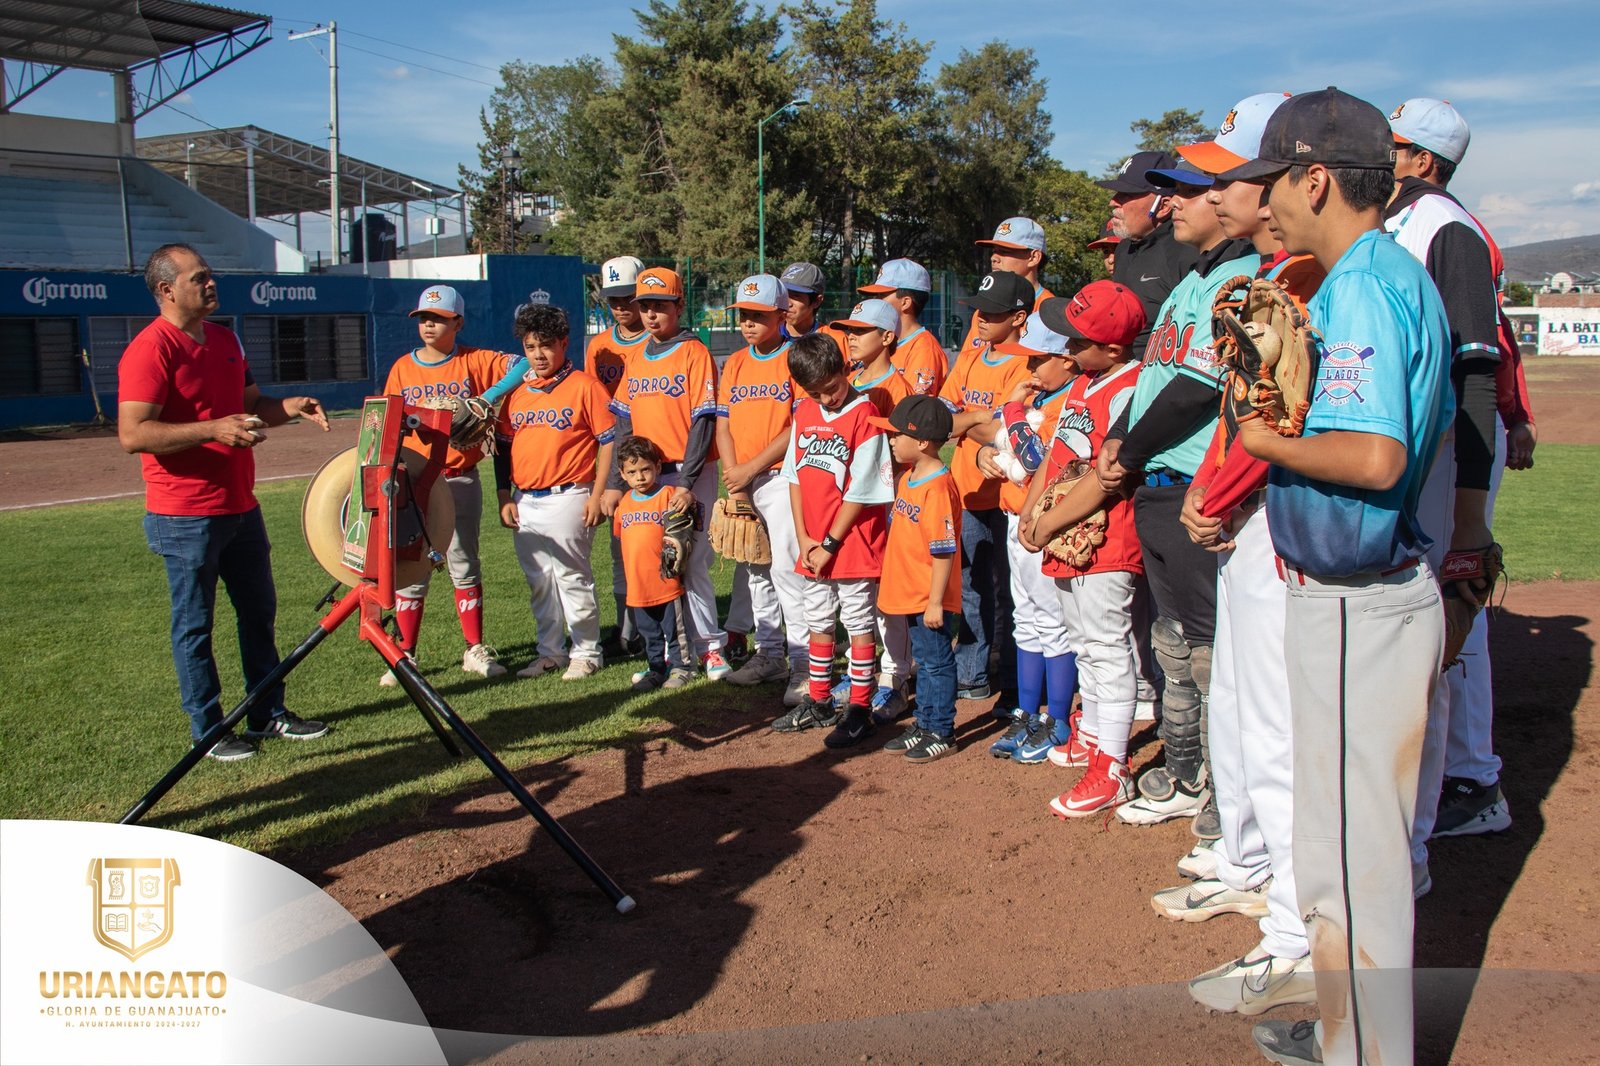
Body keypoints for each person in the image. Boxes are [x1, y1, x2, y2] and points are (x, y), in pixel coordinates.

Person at [1220, 86, 1453, 1066]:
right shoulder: (1378, 274)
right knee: (1334, 846)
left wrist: (1264, 437)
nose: (1262, 200)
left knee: (1352, 860)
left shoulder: (1361, 281)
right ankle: (1345, 1035)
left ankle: (1366, 1053)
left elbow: (1373, 459)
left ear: (1316, 177)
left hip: (1364, 600)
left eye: (1272, 180)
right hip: (1358, 598)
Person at [1156, 94, 1325, 1014]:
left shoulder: (1317, 277)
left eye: (1231, 174)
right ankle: (1253, 868)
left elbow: (1280, 421)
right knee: (1241, 709)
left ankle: (1298, 930)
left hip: (1286, 527)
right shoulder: (1277, 273)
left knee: (1277, 727)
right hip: (1250, 518)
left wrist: (1217, 490)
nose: (1214, 189)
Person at [1097, 158, 1260, 838]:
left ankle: (1230, 794)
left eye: (1190, 191)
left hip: (1198, 484)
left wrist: (1126, 454)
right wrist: (1116, 435)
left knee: (1213, 650)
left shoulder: (1237, 277)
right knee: (1174, 641)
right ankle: (1190, 772)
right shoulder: (1194, 278)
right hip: (1161, 483)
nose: (1174, 204)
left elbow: (1196, 389)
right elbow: (1155, 376)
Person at [118, 243, 330, 761]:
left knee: (258, 613)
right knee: (195, 625)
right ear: (167, 291)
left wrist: (291, 406)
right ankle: (209, 730)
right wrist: (214, 429)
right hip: (183, 514)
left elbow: (252, 407)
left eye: (211, 276)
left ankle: (267, 714)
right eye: (199, 278)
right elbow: (132, 433)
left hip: (240, 506)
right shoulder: (151, 349)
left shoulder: (225, 338)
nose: (211, 285)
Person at [1384, 97, 1510, 864]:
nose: (1383, 156)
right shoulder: (1397, 222)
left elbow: (1477, 373)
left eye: (1394, 146)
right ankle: (1463, 776)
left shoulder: (1446, 229)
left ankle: (1469, 782)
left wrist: (1470, 510)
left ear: (1425, 160)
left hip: (1446, 458)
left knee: (1449, 619)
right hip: (1414, 457)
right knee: (1428, 625)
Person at [1016, 281, 1147, 814]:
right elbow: (1057, 452)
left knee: (1105, 646)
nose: (1067, 349)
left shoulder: (1130, 386)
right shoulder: (1084, 383)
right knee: (1083, 642)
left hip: (1105, 535)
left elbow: (1108, 477)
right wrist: (1032, 506)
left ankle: (1111, 767)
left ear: (1114, 349)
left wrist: (1048, 524)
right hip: (1064, 530)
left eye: (1077, 341)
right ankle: (1094, 735)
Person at [602, 267, 731, 679]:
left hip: (686, 474)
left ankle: (710, 649)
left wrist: (687, 484)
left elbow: (703, 421)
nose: (652, 314)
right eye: (645, 307)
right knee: (657, 566)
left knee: (690, 565)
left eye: (660, 305)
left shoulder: (694, 352)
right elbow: (623, 421)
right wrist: (616, 484)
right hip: (646, 479)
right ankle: (672, 657)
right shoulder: (637, 356)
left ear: (679, 306)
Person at [381, 284, 512, 685]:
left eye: (438, 318)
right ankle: (405, 653)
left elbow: (523, 366)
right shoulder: (403, 367)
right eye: (424, 318)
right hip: (414, 481)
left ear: (458, 322)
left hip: (459, 478)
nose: (428, 325)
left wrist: (484, 399)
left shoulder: (474, 360)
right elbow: (386, 418)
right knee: (410, 566)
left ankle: (473, 648)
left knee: (463, 563)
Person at [771, 333, 895, 747]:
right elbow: (793, 476)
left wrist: (829, 544)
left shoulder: (865, 414)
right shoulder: (804, 411)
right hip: (813, 542)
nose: (825, 399)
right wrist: (805, 537)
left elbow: (861, 490)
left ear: (845, 369)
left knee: (858, 621)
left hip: (852, 540)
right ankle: (820, 700)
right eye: (815, 392)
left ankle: (860, 707)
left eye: (831, 388)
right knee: (817, 620)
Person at [493, 302, 616, 680]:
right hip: (525, 498)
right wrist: (502, 496)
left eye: (546, 345)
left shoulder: (585, 386)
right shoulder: (517, 392)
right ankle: (550, 652)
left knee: (572, 577)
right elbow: (502, 444)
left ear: (564, 343)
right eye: (531, 347)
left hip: (570, 493)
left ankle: (587, 651)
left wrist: (597, 494)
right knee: (539, 582)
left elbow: (608, 441)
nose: (539, 354)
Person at [981, 312, 1080, 765]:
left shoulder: (1069, 403)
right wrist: (988, 450)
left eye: (1041, 358)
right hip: (1013, 520)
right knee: (1027, 619)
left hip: (1043, 527)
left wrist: (1013, 411)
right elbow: (1005, 446)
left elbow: (1035, 456)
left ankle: (1056, 719)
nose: (1032, 367)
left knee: (1051, 622)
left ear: (1070, 360)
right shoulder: (1044, 396)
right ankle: (1027, 712)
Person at [940, 271, 1034, 704]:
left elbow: (1007, 426)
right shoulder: (975, 354)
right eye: (979, 307)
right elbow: (946, 412)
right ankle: (973, 671)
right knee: (972, 583)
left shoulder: (1029, 362)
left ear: (1018, 317)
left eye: (992, 311)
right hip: (969, 485)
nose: (980, 317)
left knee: (1013, 591)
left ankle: (1013, 682)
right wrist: (977, 432)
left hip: (1011, 493)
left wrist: (971, 426)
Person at [716, 274, 809, 699]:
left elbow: (798, 425)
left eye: (758, 315)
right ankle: (769, 654)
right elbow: (724, 424)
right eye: (744, 316)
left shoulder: (798, 356)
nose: (749, 323)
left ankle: (805, 666)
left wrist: (750, 468)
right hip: (746, 481)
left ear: (781, 314)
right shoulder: (735, 362)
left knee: (789, 572)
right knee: (755, 570)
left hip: (782, 480)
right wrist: (735, 479)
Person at [871, 395, 964, 763]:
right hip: (911, 592)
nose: (891, 440)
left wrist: (936, 601)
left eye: (896, 435)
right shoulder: (910, 476)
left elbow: (943, 550)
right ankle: (924, 723)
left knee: (937, 662)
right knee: (924, 662)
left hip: (928, 596)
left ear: (922, 441)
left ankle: (942, 730)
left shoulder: (937, 486)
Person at [837, 298, 914, 720]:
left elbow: (904, 453)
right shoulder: (851, 380)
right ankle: (861, 670)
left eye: (859, 330)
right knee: (858, 594)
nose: (850, 337)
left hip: (888, 504)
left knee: (889, 596)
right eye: (848, 329)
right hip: (854, 503)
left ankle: (895, 676)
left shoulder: (897, 389)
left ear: (887, 337)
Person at [589, 255, 653, 654]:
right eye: (613, 298)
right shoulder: (598, 345)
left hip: (654, 455)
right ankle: (626, 631)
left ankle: (659, 630)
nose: (620, 306)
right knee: (619, 549)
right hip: (618, 458)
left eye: (628, 297)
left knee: (656, 548)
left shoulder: (658, 338)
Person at [613, 435, 697, 689]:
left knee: (674, 631)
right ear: (622, 474)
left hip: (666, 582)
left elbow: (686, 514)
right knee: (649, 633)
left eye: (645, 469)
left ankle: (682, 667)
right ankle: (656, 668)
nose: (639, 477)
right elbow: (622, 536)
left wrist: (688, 499)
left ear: (658, 468)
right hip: (638, 586)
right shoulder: (624, 503)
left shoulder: (667, 495)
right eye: (632, 471)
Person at [1098, 150, 1201, 355]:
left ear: (1163, 206)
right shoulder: (1125, 248)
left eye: (1127, 194)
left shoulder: (1188, 253)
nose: (1113, 201)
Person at [956, 217, 1054, 357]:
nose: (994, 258)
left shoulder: (1048, 312)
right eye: (994, 251)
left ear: (1034, 258)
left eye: (1005, 251)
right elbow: (967, 360)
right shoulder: (984, 310)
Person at [858, 258, 949, 395]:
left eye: (882, 295)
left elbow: (911, 410)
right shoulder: (880, 341)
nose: (875, 301)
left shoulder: (924, 349)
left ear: (905, 303)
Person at [778, 262, 849, 358]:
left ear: (817, 301)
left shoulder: (836, 340)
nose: (788, 303)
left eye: (796, 296)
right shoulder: (767, 336)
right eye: (784, 294)